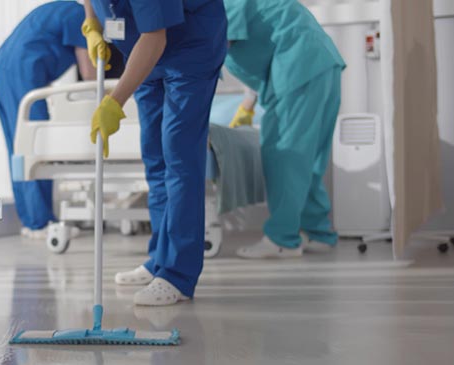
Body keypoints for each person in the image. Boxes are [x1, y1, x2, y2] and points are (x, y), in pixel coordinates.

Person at [82, 0, 227, 305]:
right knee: (155, 158)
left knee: (179, 158)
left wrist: (114, 101)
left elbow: (155, 36)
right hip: (143, 50)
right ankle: (160, 258)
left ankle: (177, 275)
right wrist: (92, 23)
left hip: (190, 48)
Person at [222, 0, 346, 259]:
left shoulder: (216, 4)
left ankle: (283, 239)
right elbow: (261, 40)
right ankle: (317, 232)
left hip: (296, 64)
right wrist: (247, 105)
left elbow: (215, 48)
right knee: (308, 158)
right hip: (321, 62)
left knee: (284, 155)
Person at [0, 1, 96, 239]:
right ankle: (40, 223)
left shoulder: (65, 10)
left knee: (20, 148)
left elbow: (39, 47)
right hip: (21, 74)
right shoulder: (81, 16)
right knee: (35, 146)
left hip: (8, 72)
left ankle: (32, 220)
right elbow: (90, 74)